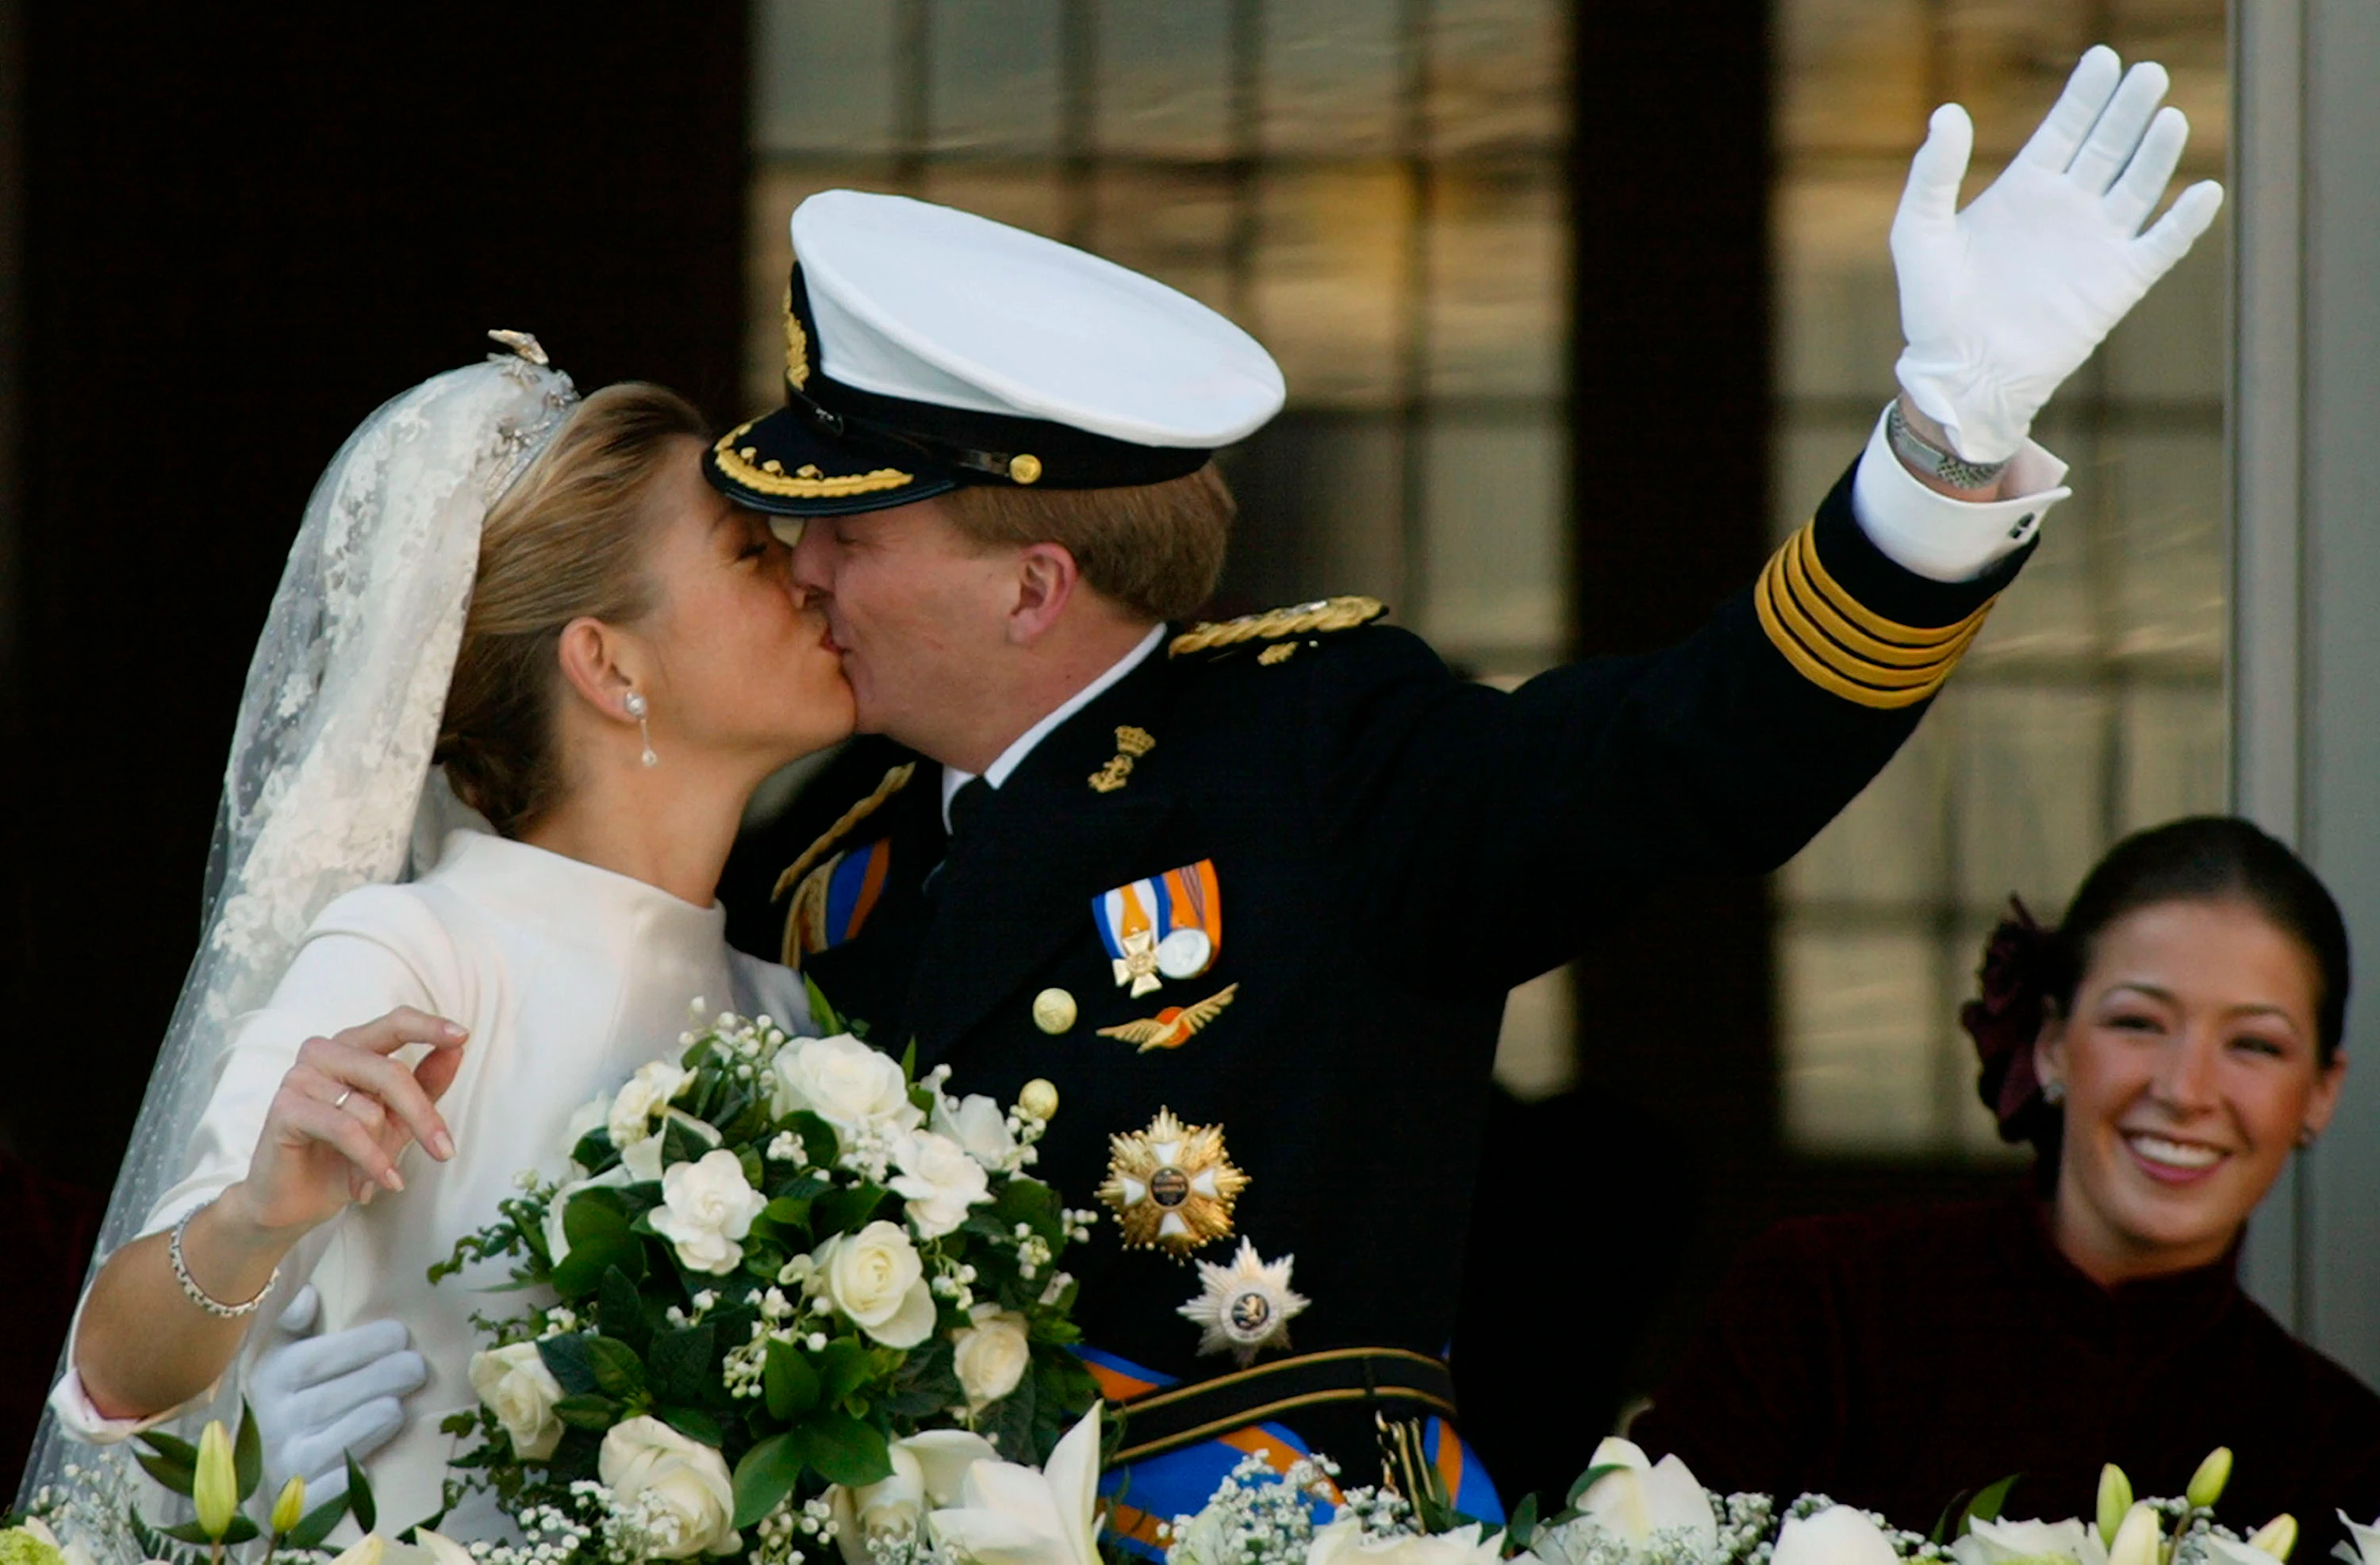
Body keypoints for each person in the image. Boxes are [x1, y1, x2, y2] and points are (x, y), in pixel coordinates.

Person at [694, 44, 2219, 1540]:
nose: (803, 566)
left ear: (1034, 584)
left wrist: (1944, 456)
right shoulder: (832, 854)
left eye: (855, 532)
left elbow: (1687, 754)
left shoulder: (1319, 756)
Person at [32, 339, 854, 1532]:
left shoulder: (785, 1011)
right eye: (748, 551)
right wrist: (252, 1217)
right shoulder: (420, 952)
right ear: (608, 662)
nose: (809, 574)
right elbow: (112, 1374)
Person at [1630, 817, 2380, 1557]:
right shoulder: (1824, 1304)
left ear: (2319, 1090)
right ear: (2053, 1046)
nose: (2186, 1089)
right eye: (2139, 1022)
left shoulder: (2341, 1453)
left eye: (2254, 1043)